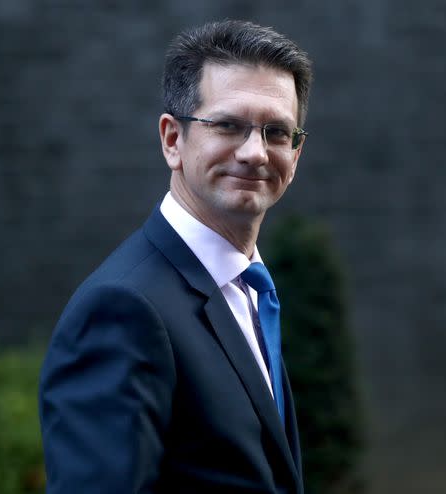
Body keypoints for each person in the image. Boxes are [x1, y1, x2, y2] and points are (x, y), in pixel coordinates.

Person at [38, 19, 312, 493]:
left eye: (276, 132)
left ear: (296, 152)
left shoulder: (246, 290)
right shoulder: (123, 309)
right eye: (228, 125)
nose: (254, 152)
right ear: (172, 140)